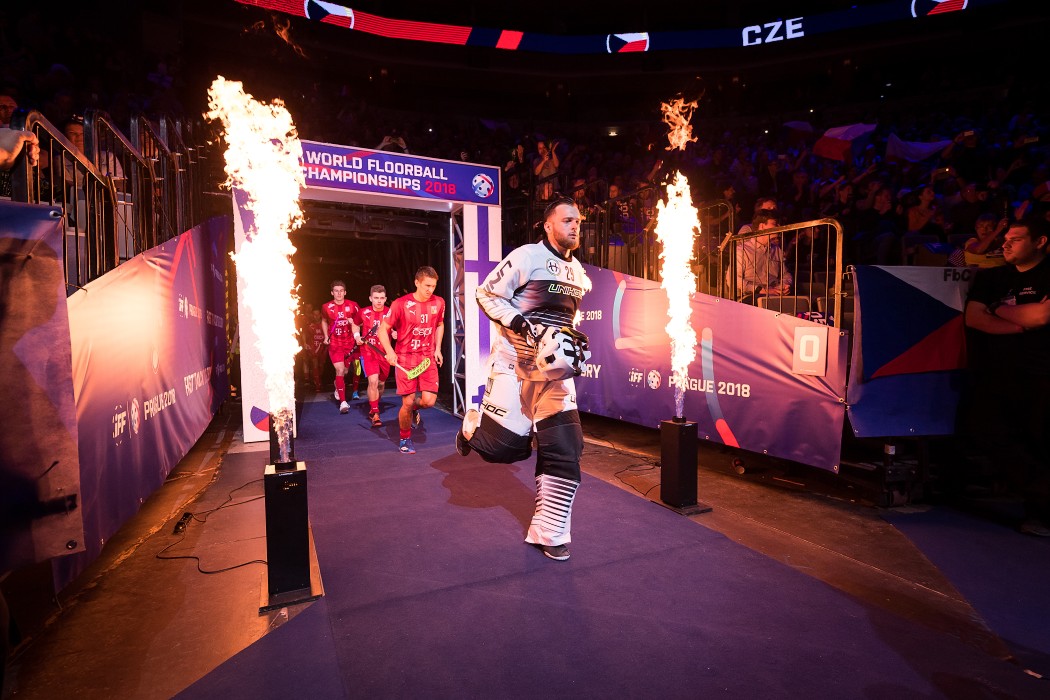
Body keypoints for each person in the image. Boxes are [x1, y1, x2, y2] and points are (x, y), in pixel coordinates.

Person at [457, 196, 591, 562]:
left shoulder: (579, 272)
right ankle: (472, 426)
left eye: (578, 220)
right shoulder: (527, 256)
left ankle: (550, 533)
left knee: (566, 447)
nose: (575, 226)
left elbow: (566, 319)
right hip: (514, 364)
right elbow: (486, 294)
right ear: (548, 225)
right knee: (503, 449)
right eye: (567, 220)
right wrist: (518, 323)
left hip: (555, 375)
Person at [961, 216, 1050, 536]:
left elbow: (1043, 315)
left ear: (1040, 242)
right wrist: (1023, 322)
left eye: (1016, 240)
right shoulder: (993, 276)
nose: (1005, 245)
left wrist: (998, 309)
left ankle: (1041, 513)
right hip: (998, 370)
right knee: (986, 431)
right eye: (1006, 240)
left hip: (1042, 370)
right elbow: (973, 319)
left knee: (1038, 441)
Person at [378, 266, 444, 454]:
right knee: (407, 402)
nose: (430, 290)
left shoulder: (439, 303)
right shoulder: (400, 304)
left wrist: (437, 348)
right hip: (405, 359)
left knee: (429, 401)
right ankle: (405, 439)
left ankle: (414, 409)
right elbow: (383, 329)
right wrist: (390, 351)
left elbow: (439, 324)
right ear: (417, 283)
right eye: (426, 285)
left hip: (427, 358)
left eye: (433, 286)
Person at [728, 209, 792, 305]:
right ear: (762, 226)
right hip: (751, 296)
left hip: (774, 293)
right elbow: (732, 279)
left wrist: (784, 285)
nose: (779, 227)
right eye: (775, 224)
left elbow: (785, 274)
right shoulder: (742, 250)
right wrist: (762, 290)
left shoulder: (776, 249)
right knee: (768, 302)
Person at [321, 279, 362, 414]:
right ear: (332, 293)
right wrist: (326, 336)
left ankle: (337, 386)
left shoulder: (353, 305)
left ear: (345, 292)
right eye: (336, 291)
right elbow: (324, 321)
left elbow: (361, 322)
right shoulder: (326, 307)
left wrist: (353, 323)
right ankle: (343, 403)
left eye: (341, 291)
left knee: (344, 371)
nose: (339, 293)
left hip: (349, 343)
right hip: (335, 343)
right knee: (339, 370)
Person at [358, 284, 392, 427]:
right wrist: (356, 336)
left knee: (381, 384)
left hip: (384, 354)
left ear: (385, 299)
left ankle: (375, 404)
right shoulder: (363, 312)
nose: (379, 301)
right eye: (376, 298)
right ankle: (375, 412)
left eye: (381, 298)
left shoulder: (390, 312)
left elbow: (400, 327)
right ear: (370, 298)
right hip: (368, 352)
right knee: (373, 381)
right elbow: (355, 324)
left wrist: (396, 333)